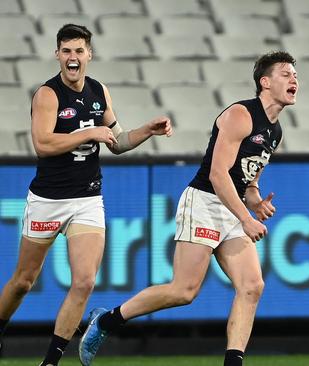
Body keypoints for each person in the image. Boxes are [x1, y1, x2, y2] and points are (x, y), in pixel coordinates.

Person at [78, 51, 298, 366]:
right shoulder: (241, 115)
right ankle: (107, 321)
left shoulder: (275, 131)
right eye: (286, 74)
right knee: (184, 291)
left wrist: (256, 202)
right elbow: (218, 174)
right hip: (206, 201)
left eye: (295, 75)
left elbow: (247, 182)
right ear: (265, 82)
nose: (294, 80)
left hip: (231, 207)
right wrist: (246, 218)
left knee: (252, 286)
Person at [0, 24, 172, 366]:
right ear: (57, 55)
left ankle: (50, 361)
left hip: (88, 199)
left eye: (78, 51)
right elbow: (43, 144)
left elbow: (118, 141)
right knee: (23, 281)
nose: (72, 57)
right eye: (66, 51)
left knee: (84, 281)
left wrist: (147, 132)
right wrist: (88, 133)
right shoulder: (47, 95)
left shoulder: (99, 92)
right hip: (48, 200)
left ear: (89, 54)